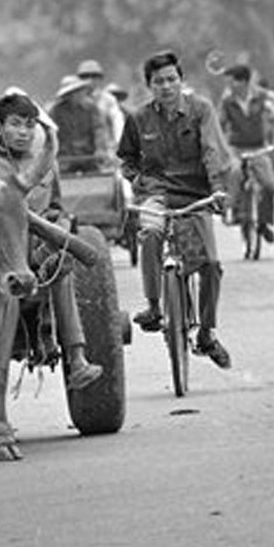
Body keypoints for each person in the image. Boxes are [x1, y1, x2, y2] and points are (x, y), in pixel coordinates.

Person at [116, 49, 234, 369]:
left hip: (196, 194)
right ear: (149, 86)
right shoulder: (138, 119)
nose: (166, 87)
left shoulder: (201, 110)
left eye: (171, 80)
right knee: (150, 234)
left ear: (181, 81)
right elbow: (126, 159)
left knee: (210, 264)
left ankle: (207, 333)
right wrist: (137, 179)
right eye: (158, 82)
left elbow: (213, 151)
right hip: (155, 194)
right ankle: (154, 306)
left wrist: (218, 189)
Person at [0, 89, 104, 390]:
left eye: (29, 125)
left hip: (38, 252)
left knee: (60, 265)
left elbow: (56, 209)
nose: (23, 132)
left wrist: (61, 226)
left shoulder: (45, 164)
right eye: (15, 124)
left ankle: (76, 358)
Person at [217, 63, 274, 242]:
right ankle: (234, 210)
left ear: (244, 82)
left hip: (259, 148)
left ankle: (264, 222)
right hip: (236, 148)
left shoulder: (263, 98)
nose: (229, 87)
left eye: (232, 82)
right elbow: (220, 125)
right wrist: (221, 146)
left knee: (269, 185)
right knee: (235, 173)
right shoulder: (227, 102)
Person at [46, 74, 109, 174]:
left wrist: (100, 149)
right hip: (65, 159)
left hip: (89, 157)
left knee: (99, 179)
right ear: (67, 95)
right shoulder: (55, 111)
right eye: (74, 92)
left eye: (80, 91)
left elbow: (99, 130)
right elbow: (49, 134)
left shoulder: (91, 109)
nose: (79, 94)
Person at [76, 59, 126, 154]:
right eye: (85, 77)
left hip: (105, 150)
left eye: (94, 77)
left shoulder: (108, 100)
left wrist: (120, 142)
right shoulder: (75, 100)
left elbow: (117, 122)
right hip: (80, 151)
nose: (90, 80)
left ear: (100, 79)